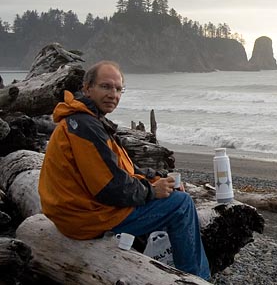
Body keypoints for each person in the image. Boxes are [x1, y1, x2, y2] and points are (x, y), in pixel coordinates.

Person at [38, 60, 211, 280]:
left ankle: (159, 262)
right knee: (181, 205)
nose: (113, 94)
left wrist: (158, 178)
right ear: (87, 88)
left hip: (77, 210)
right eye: (106, 86)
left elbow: (123, 168)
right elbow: (111, 187)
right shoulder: (84, 126)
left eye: (118, 89)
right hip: (85, 216)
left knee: (169, 196)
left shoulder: (88, 120)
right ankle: (197, 279)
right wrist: (151, 191)